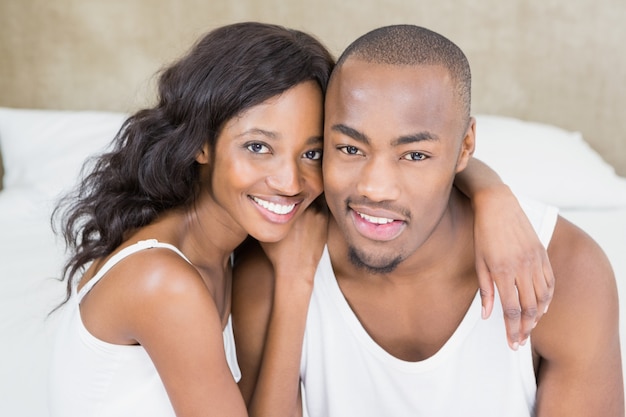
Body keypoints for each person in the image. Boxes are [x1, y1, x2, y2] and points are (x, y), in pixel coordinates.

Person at [48, 21, 552, 417]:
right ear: (200, 143)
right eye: (258, 147)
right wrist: (294, 280)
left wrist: (492, 195)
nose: (289, 182)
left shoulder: (228, 245)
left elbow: (398, 147)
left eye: (312, 153)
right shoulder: (164, 283)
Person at [232, 25, 624, 416]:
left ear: (465, 146)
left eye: (415, 155)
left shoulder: (569, 270)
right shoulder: (273, 264)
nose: (375, 188)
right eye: (350, 148)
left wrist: (492, 192)